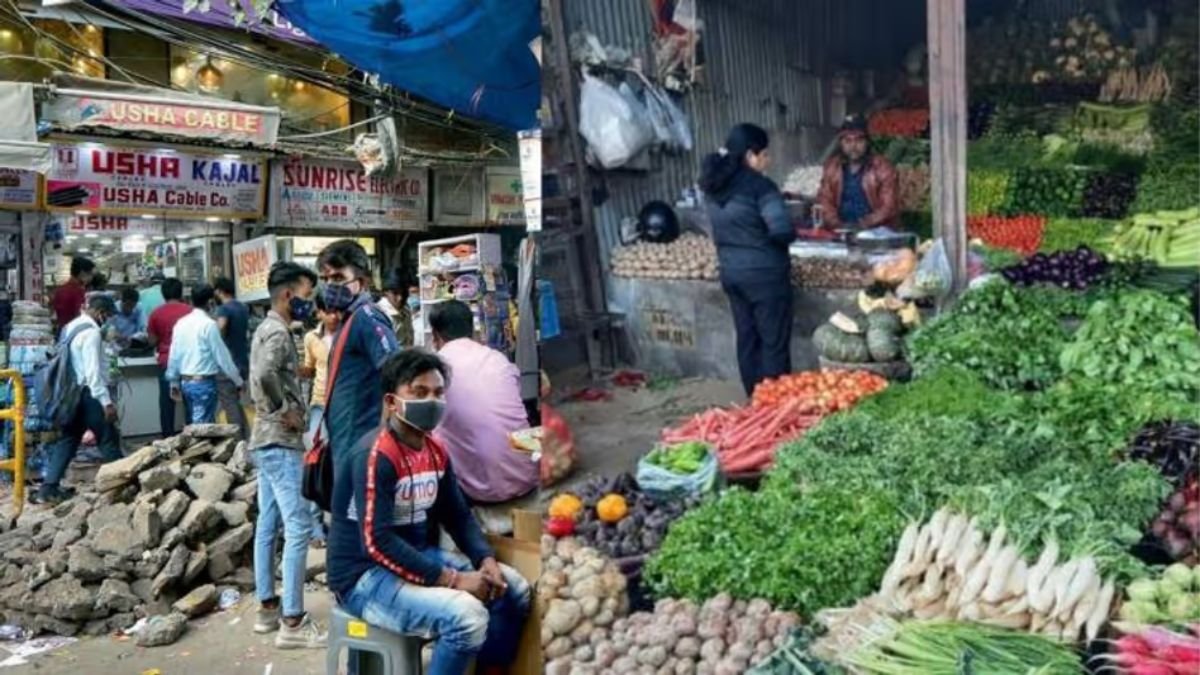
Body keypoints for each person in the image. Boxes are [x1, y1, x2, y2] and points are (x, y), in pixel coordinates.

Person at [327, 350, 531, 675]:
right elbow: (376, 542)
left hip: (415, 557)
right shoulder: (376, 455)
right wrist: (454, 579)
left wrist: (484, 559)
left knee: (512, 589)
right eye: (419, 393)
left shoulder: (435, 451)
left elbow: (458, 516)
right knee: (466, 618)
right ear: (392, 402)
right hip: (363, 576)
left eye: (437, 393)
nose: (432, 401)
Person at [248, 262, 326, 649]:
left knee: (268, 522)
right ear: (287, 295)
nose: (309, 303)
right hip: (279, 440)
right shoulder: (278, 331)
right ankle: (292, 622)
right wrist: (285, 409)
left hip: (264, 439)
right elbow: (264, 375)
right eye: (307, 296)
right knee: (297, 527)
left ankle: (267, 607)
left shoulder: (265, 327)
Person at [700, 123, 795, 396]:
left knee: (747, 339)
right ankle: (774, 404)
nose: (768, 160)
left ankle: (753, 401)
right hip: (765, 277)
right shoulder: (760, 187)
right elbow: (781, 230)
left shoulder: (714, 186)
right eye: (765, 154)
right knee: (772, 342)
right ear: (751, 155)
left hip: (731, 274)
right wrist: (792, 231)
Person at [430, 301, 535, 504]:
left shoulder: (435, 368)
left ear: (435, 336)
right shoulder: (498, 359)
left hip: (483, 490)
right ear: (472, 329)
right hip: (529, 474)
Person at [316, 240, 399, 466]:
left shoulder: (367, 318)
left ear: (361, 282)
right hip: (347, 445)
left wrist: (383, 435)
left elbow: (397, 373)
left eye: (338, 278)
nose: (329, 286)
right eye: (325, 279)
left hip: (362, 447)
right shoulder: (349, 321)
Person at [37, 295, 124, 504]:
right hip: (89, 395)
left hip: (71, 395)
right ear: (101, 312)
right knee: (108, 440)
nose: (108, 321)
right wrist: (106, 403)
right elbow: (92, 373)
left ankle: (48, 489)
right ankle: (126, 485)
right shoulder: (92, 333)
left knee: (68, 440)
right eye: (108, 316)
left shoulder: (70, 327)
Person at [166, 284, 244, 425]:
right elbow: (222, 357)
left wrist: (173, 382)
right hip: (204, 384)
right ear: (210, 302)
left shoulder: (180, 324)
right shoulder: (208, 325)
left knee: (196, 426)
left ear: (191, 301)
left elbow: (174, 355)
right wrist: (238, 380)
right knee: (202, 430)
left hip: (186, 383)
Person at [300, 293, 339, 547]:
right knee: (316, 463)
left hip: (343, 406)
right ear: (320, 313)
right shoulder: (311, 338)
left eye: (337, 311)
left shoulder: (349, 333)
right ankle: (316, 527)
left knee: (339, 465)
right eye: (329, 311)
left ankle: (339, 523)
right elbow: (308, 369)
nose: (334, 316)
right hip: (318, 405)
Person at [815, 114, 900, 232]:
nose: (853, 146)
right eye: (847, 141)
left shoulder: (883, 168)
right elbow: (825, 200)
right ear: (841, 143)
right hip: (840, 230)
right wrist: (837, 225)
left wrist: (863, 225)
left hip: (876, 232)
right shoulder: (832, 167)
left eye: (859, 140)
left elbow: (889, 207)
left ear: (867, 142)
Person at [146, 278, 193, 437]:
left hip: (166, 362)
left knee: (167, 405)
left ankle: (167, 439)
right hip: (189, 362)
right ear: (181, 292)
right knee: (190, 403)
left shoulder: (156, 313)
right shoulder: (191, 311)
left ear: (163, 293)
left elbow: (152, 341)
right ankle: (194, 438)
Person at [213, 277, 251, 438]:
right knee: (235, 402)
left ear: (220, 291)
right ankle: (246, 436)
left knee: (229, 404)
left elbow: (221, 327)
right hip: (242, 361)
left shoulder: (224, 309)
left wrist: (213, 334)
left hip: (229, 363)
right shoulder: (243, 307)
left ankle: (238, 441)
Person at [52, 256, 95, 336]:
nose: (91, 278)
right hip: (75, 334)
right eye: (90, 274)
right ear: (82, 273)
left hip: (62, 332)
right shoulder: (78, 292)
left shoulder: (59, 290)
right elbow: (80, 316)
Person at [378, 268, 415, 347]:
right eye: (395, 293)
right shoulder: (379, 314)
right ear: (385, 292)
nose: (400, 298)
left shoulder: (406, 309)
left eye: (404, 293)